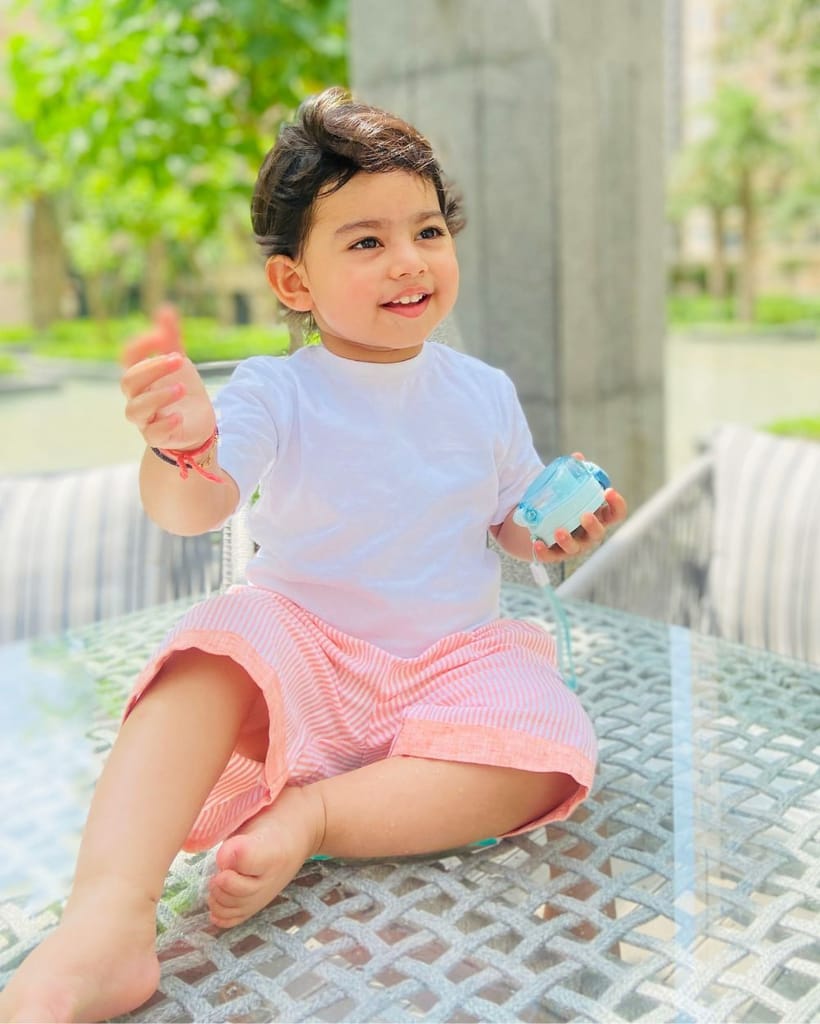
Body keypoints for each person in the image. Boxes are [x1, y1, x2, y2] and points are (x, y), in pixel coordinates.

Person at [0, 86, 627, 1023]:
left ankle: (319, 815)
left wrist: (553, 530)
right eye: (366, 242)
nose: (408, 261)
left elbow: (506, 520)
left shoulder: (484, 392)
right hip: (307, 659)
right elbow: (195, 505)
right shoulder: (274, 391)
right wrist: (180, 447)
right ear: (295, 283)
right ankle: (107, 922)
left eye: (427, 231)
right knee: (210, 649)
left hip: (454, 665)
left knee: (555, 744)